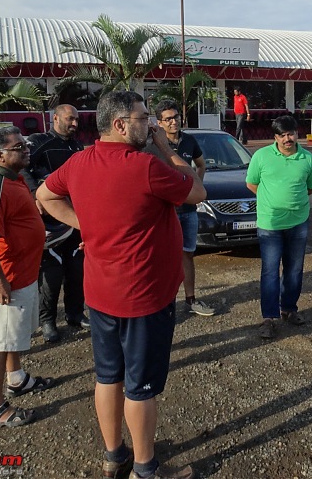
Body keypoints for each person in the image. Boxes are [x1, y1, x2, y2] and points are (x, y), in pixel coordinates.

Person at [36, 91, 205, 479]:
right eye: (144, 118)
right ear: (120, 124)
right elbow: (197, 190)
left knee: (107, 377)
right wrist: (166, 147)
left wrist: (86, 225)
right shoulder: (144, 166)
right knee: (141, 387)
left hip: (102, 293)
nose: (152, 125)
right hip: (144, 295)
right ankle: (145, 469)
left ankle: (114, 456)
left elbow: (44, 195)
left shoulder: (78, 162)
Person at [0, 127, 56, 428]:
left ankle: (17, 378)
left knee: (12, 338)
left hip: (23, 275)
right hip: (7, 280)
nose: (26, 149)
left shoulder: (13, 178)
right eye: (19, 146)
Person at [246, 115, 312, 339]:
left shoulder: (307, 158)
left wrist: (291, 204)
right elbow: (251, 183)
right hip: (270, 224)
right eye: (283, 135)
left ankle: (289, 309)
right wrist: (271, 201)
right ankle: (269, 317)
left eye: (291, 133)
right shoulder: (261, 156)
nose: (288, 138)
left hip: (298, 222)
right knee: (270, 271)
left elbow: (311, 188)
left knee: (294, 270)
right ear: (275, 137)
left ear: (297, 133)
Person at [22, 104, 87, 343]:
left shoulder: (76, 145)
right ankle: (48, 321)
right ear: (55, 118)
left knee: (76, 268)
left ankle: (75, 313)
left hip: (74, 215)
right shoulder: (39, 141)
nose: (74, 124)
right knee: (51, 274)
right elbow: (24, 168)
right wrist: (35, 196)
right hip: (50, 219)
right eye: (70, 119)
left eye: (76, 120)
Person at [145, 99, 214, 317]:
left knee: (187, 255)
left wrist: (197, 185)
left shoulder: (189, 141)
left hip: (188, 212)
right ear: (159, 122)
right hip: (165, 212)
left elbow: (201, 164)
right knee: (162, 257)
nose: (174, 122)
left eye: (176, 117)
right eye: (168, 119)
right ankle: (163, 303)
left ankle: (191, 300)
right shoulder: (152, 146)